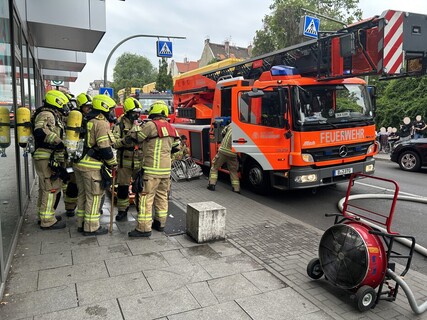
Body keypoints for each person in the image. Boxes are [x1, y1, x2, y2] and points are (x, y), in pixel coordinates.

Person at [127, 100, 178, 237]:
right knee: (162, 197)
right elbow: (176, 147)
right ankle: (160, 224)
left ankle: (143, 229)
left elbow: (137, 138)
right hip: (166, 172)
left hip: (151, 170)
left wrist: (135, 127)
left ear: (152, 113)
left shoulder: (150, 125)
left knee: (145, 198)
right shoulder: (172, 127)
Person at [73, 94, 118, 236]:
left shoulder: (86, 119)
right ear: (103, 108)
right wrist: (113, 164)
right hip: (91, 166)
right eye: (110, 109)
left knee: (82, 195)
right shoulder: (101, 123)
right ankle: (91, 227)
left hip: (79, 163)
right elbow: (105, 148)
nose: (112, 113)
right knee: (94, 196)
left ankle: (81, 224)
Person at [32, 90, 70, 229]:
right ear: (57, 101)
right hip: (45, 155)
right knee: (50, 188)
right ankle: (47, 220)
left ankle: (44, 215)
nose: (65, 107)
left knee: (45, 187)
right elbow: (40, 131)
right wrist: (58, 142)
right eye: (63, 104)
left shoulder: (51, 114)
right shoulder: (47, 114)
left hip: (46, 155)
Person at [112, 97, 143, 221]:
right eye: (134, 112)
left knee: (140, 187)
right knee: (123, 188)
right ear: (127, 112)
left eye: (138, 112)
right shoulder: (119, 125)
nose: (137, 115)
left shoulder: (142, 124)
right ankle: (122, 211)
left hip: (139, 161)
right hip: (124, 162)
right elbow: (113, 143)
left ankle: (141, 209)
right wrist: (124, 141)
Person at [207, 122, 240, 193]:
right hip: (233, 153)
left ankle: (212, 184)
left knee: (215, 167)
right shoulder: (243, 129)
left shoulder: (231, 124)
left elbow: (222, 133)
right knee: (233, 171)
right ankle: (236, 189)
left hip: (223, 151)